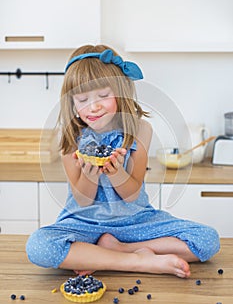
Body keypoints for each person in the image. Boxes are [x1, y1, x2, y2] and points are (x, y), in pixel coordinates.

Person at [26, 44, 220, 278]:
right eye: (83, 99)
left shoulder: (139, 129)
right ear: (72, 104)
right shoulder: (69, 136)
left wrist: (116, 173)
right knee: (39, 246)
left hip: (135, 221)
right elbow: (82, 200)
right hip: (83, 222)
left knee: (207, 240)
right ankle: (137, 261)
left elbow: (131, 194)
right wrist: (90, 175)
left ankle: (115, 251)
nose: (93, 106)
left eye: (103, 96)